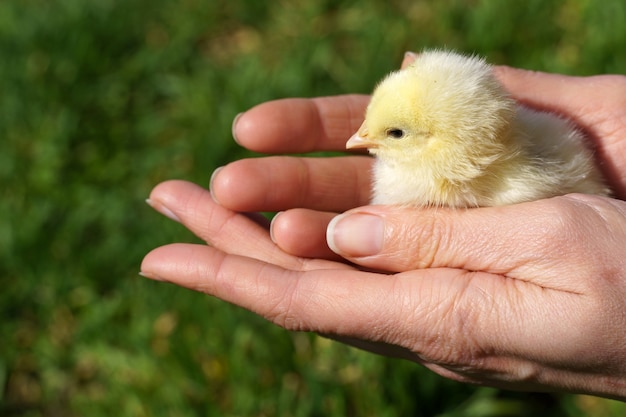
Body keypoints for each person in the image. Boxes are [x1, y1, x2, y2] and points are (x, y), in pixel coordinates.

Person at [140, 53, 626, 401]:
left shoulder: (507, 183)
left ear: (443, 145)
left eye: (391, 133)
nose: (362, 138)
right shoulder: (495, 144)